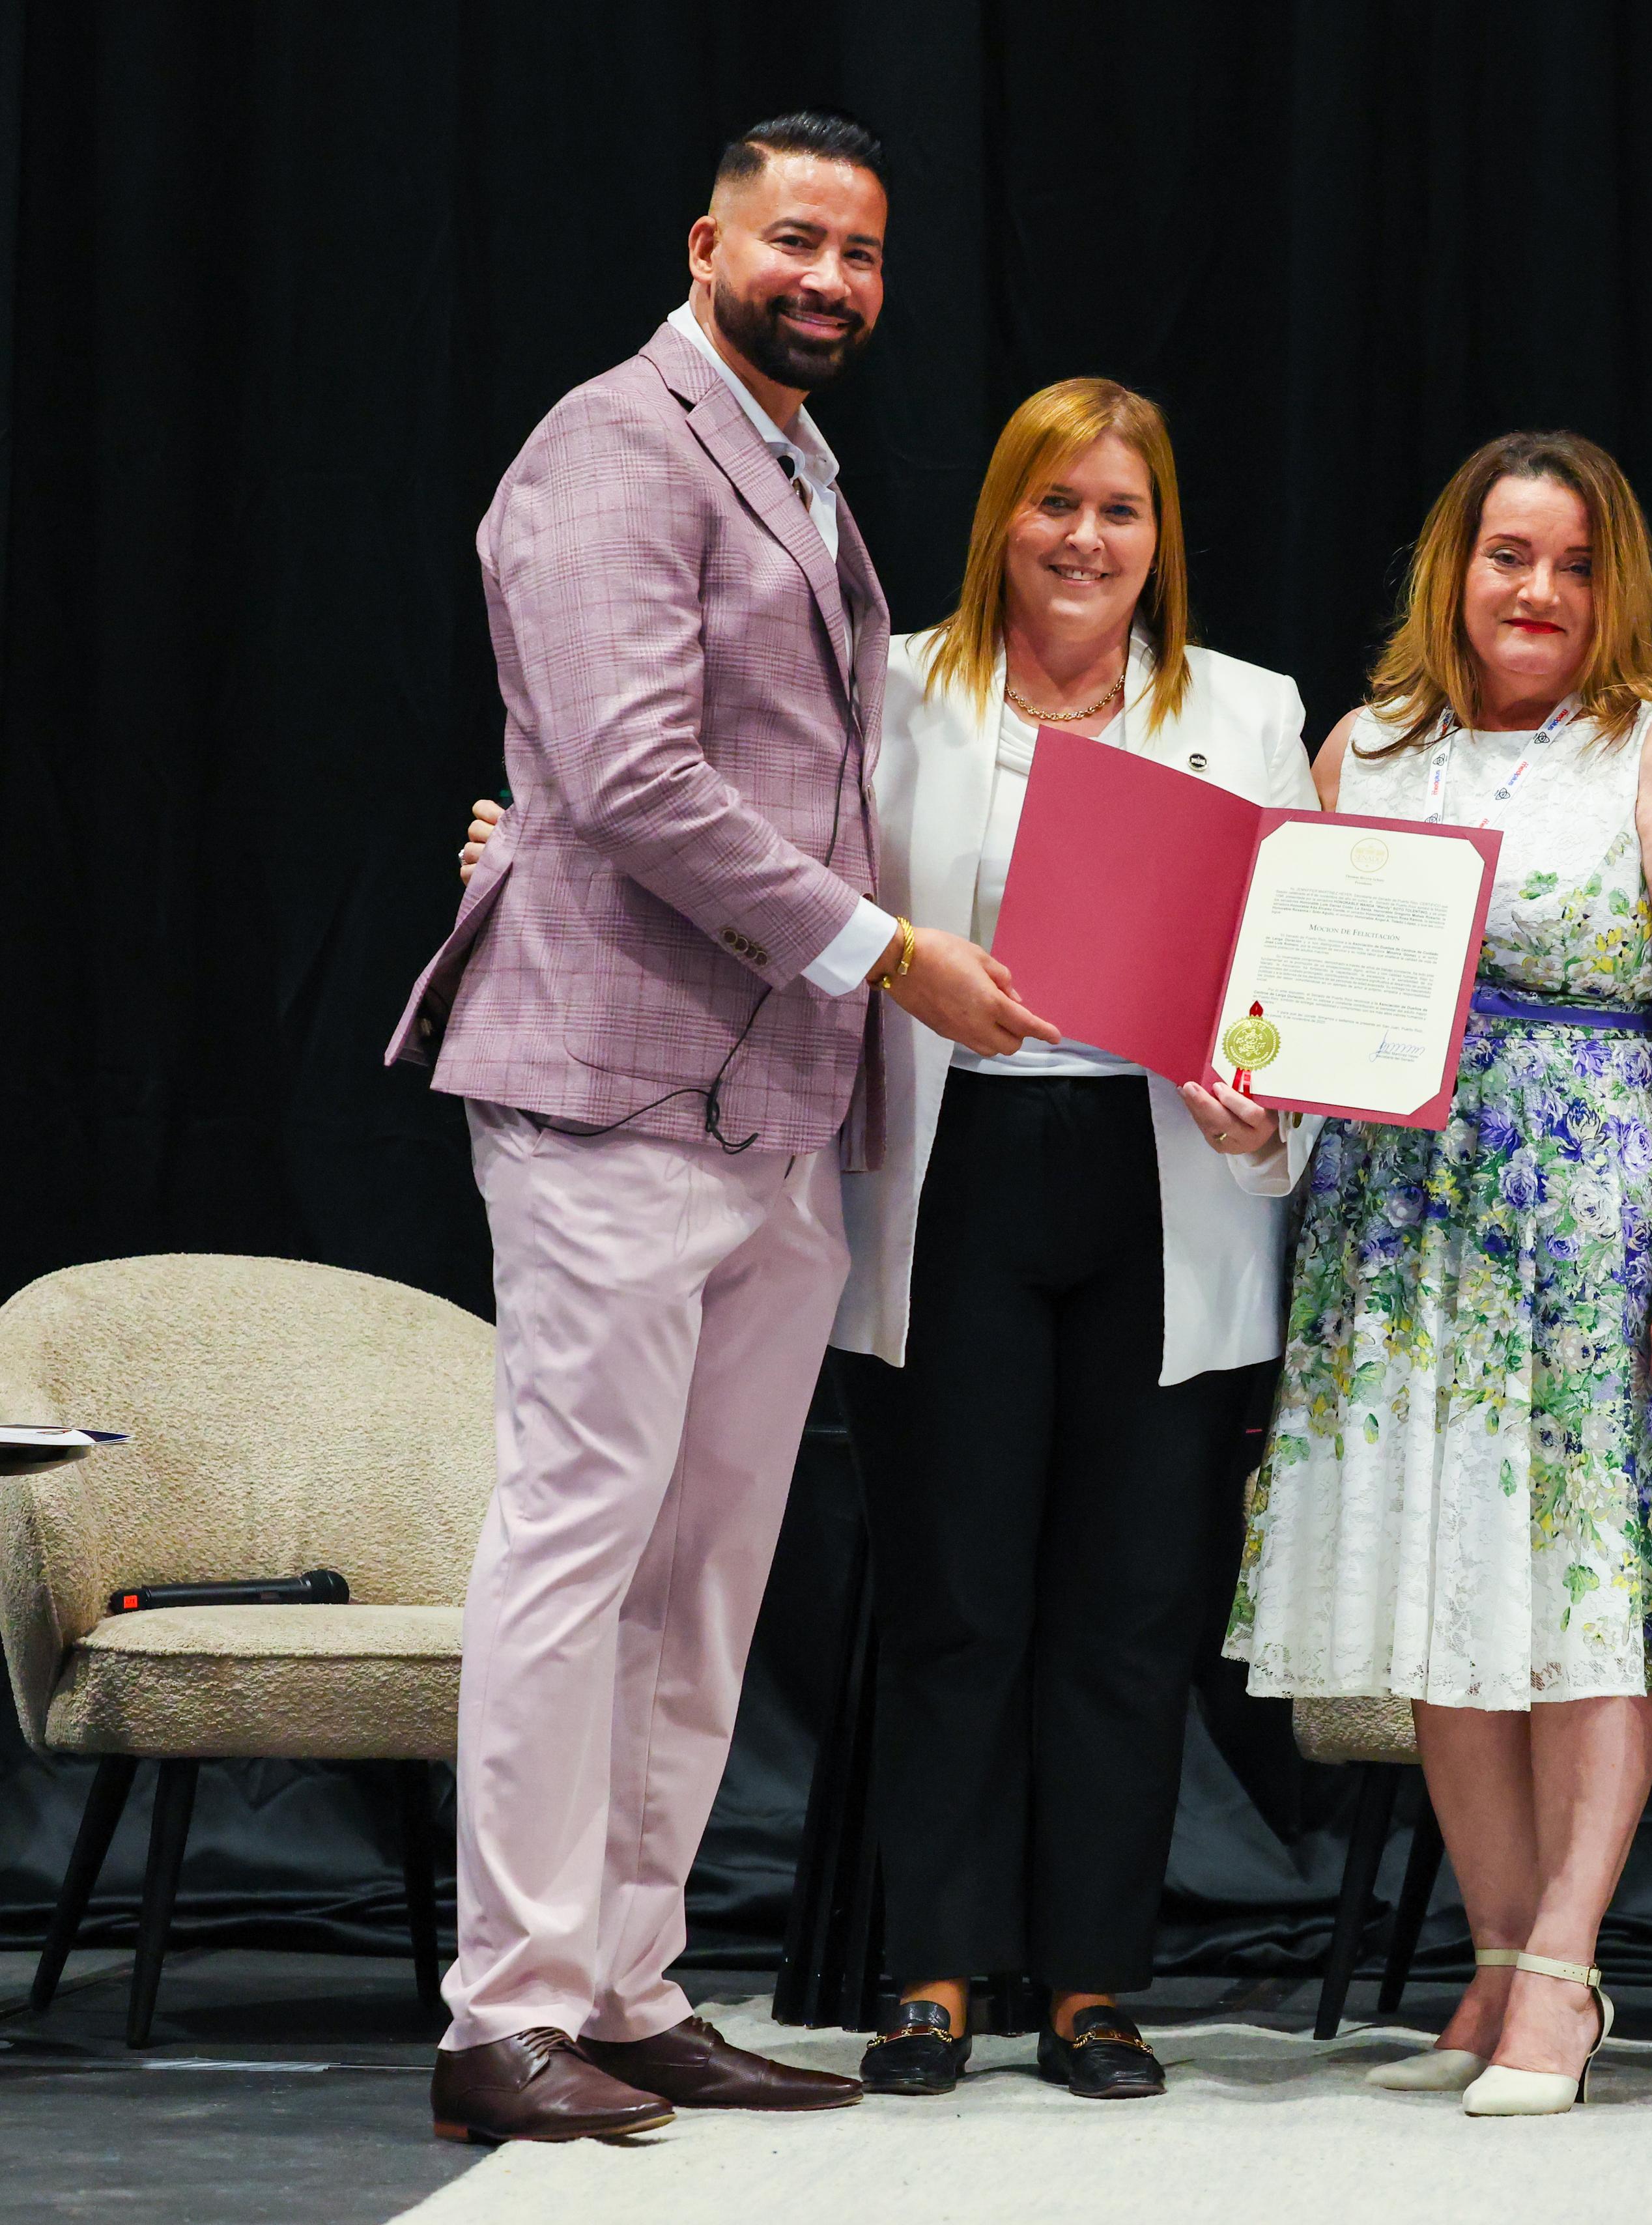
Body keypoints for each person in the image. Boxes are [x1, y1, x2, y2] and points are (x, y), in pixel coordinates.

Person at [469, 380, 1317, 2099]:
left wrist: (1269, 1104)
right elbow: (719, 837)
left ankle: (1092, 1989)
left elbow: (1288, 967)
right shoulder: (889, 690)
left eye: (1121, 509)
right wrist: (535, 846)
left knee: (1129, 1607)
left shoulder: (1249, 710)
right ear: (1001, 517)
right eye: (1054, 503)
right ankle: (932, 1972)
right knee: (952, 1594)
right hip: (945, 1174)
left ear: (1163, 538)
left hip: (1163, 1179)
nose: (1084, 538)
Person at [387, 113, 1053, 2147]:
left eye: (862, 253)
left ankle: (628, 1983)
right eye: (795, 241)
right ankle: (505, 2010)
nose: (830, 280)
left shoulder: (795, 462)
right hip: (611, 1087)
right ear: (706, 244)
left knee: (703, 1574)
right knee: (577, 1547)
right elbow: (632, 776)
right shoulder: (613, 443)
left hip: (772, 1107)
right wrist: (893, 956)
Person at [1222, 430, 1652, 2118]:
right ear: (1453, 571)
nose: (1538, 590)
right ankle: (1489, 1954)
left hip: (1595, 1230)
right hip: (1399, 1235)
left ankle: (1563, 1969)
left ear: (1616, 588)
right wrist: (1255, 1096)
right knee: (1442, 1584)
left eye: (1574, 564)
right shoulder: (1367, 746)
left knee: (1590, 1593)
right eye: (1508, 556)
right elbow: (1291, 992)